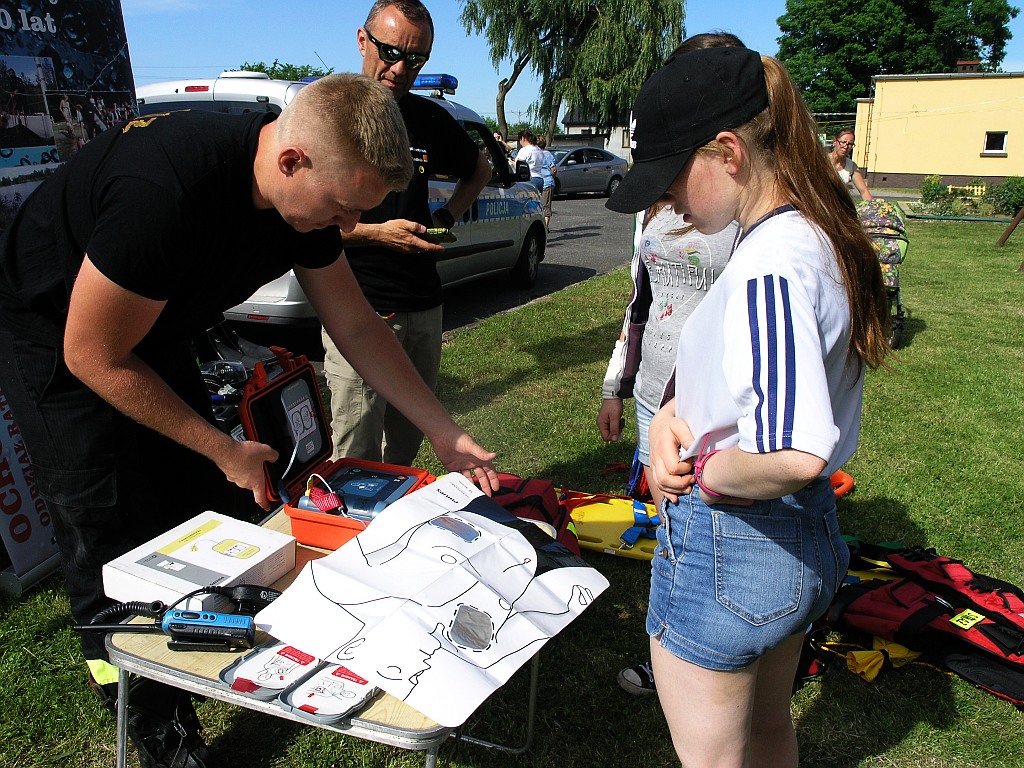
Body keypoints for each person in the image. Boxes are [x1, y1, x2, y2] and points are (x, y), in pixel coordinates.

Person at [0, 73, 499, 768]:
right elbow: (92, 354)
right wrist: (222, 447)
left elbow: (355, 324)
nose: (348, 228)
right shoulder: (166, 193)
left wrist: (442, 430)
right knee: (104, 520)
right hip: (61, 331)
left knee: (190, 507)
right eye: (341, 209)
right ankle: (150, 722)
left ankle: (200, 652)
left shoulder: (307, 195)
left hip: (154, 323)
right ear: (292, 161)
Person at [606, 46, 889, 766]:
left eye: (669, 179)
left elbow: (795, 451)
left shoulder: (770, 267)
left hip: (733, 547)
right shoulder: (804, 235)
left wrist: (707, 474)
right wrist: (673, 417)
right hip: (794, 543)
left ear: (727, 152)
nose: (663, 202)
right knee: (766, 733)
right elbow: (743, 385)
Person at [600, 30, 744, 699]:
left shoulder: (746, 203)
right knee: (672, 533)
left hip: (711, 403)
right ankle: (675, 652)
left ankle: (701, 662)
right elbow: (640, 299)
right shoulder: (660, 198)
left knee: (712, 535)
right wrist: (615, 386)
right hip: (654, 395)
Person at [322, 0, 492, 467]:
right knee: (355, 452)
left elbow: (480, 168)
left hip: (423, 303)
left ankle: (395, 529)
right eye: (391, 51)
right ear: (362, 40)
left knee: (405, 444)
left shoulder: (429, 117)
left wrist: (449, 217)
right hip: (359, 304)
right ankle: (351, 535)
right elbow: (302, 225)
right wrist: (378, 234)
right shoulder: (328, 113)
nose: (400, 69)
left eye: (416, 59)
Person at [829, 128, 873, 200]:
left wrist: (873, 207)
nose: (846, 147)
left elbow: (864, 191)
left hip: (840, 206)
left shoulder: (851, 166)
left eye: (850, 144)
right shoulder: (822, 161)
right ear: (835, 141)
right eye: (843, 142)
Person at [536, 135, 557, 230]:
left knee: (545, 205)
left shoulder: (547, 155)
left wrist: (550, 176)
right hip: (539, 182)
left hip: (547, 183)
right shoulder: (536, 154)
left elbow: (554, 169)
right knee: (540, 206)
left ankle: (545, 228)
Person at [515, 129, 545, 193]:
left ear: (523, 138)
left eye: (520, 140)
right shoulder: (539, 149)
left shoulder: (524, 150)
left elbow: (518, 166)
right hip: (540, 178)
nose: (520, 142)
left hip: (529, 179)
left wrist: (511, 162)